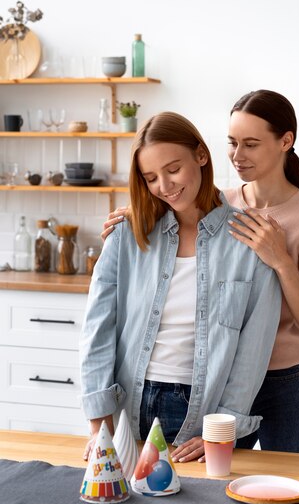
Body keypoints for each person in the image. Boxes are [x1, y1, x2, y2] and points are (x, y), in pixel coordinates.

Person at [101, 90, 299, 455]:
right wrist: (132, 219)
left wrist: (281, 262)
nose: (237, 156)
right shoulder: (221, 206)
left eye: (251, 144)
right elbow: (171, 211)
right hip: (218, 384)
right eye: (232, 142)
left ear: (285, 141)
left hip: (284, 386)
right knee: (218, 498)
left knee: (286, 502)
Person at [80, 111, 281, 464]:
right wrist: (99, 423)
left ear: (201, 155)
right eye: (151, 177)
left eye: (173, 169)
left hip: (204, 414)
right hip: (128, 406)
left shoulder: (251, 239)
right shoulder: (127, 236)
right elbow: (98, 330)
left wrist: (222, 428)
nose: (165, 185)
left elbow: (254, 347)